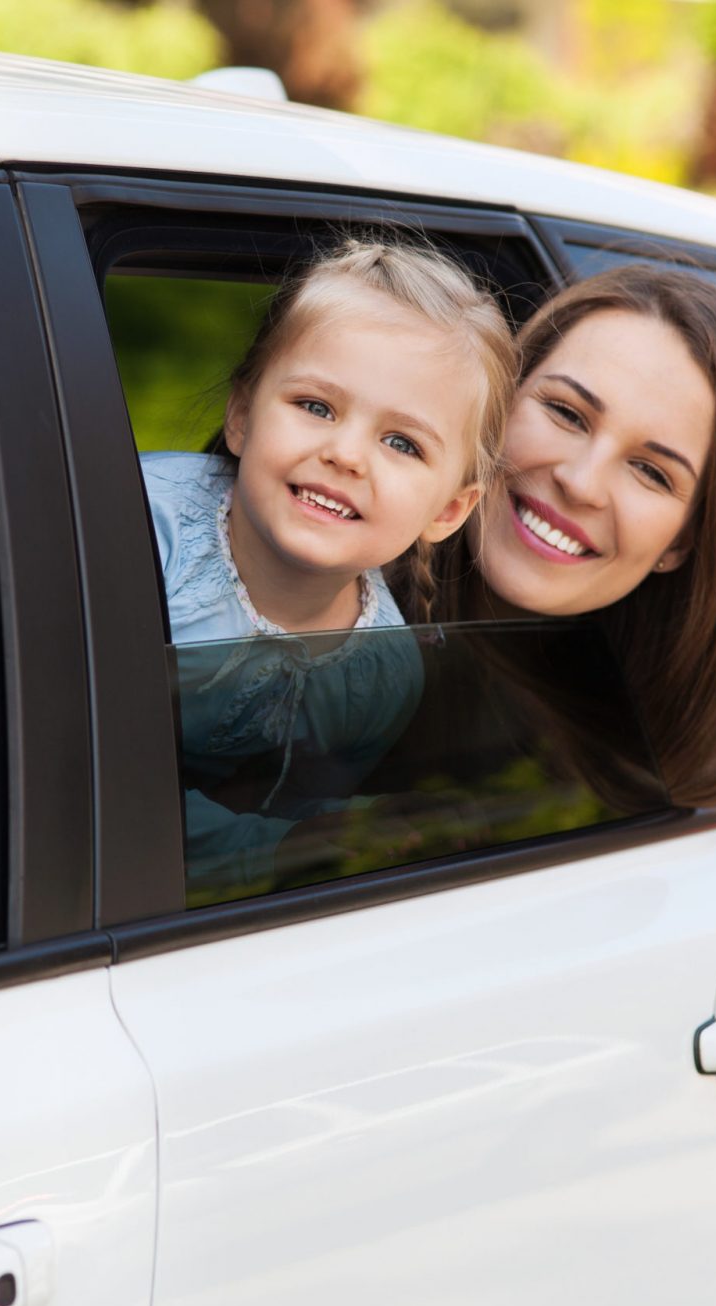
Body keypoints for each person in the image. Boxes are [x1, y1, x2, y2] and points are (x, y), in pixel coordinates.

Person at [138, 237, 517, 892]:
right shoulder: (140, 531)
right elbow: (79, 775)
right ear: (240, 415)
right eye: (316, 407)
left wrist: (341, 832)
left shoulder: (383, 676)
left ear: (449, 511)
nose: (346, 454)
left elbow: (296, 824)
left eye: (401, 442)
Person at [433, 263, 716, 808]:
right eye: (566, 413)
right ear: (497, 399)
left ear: (682, 543)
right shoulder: (313, 582)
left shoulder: (648, 783)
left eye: (652, 472)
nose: (581, 483)